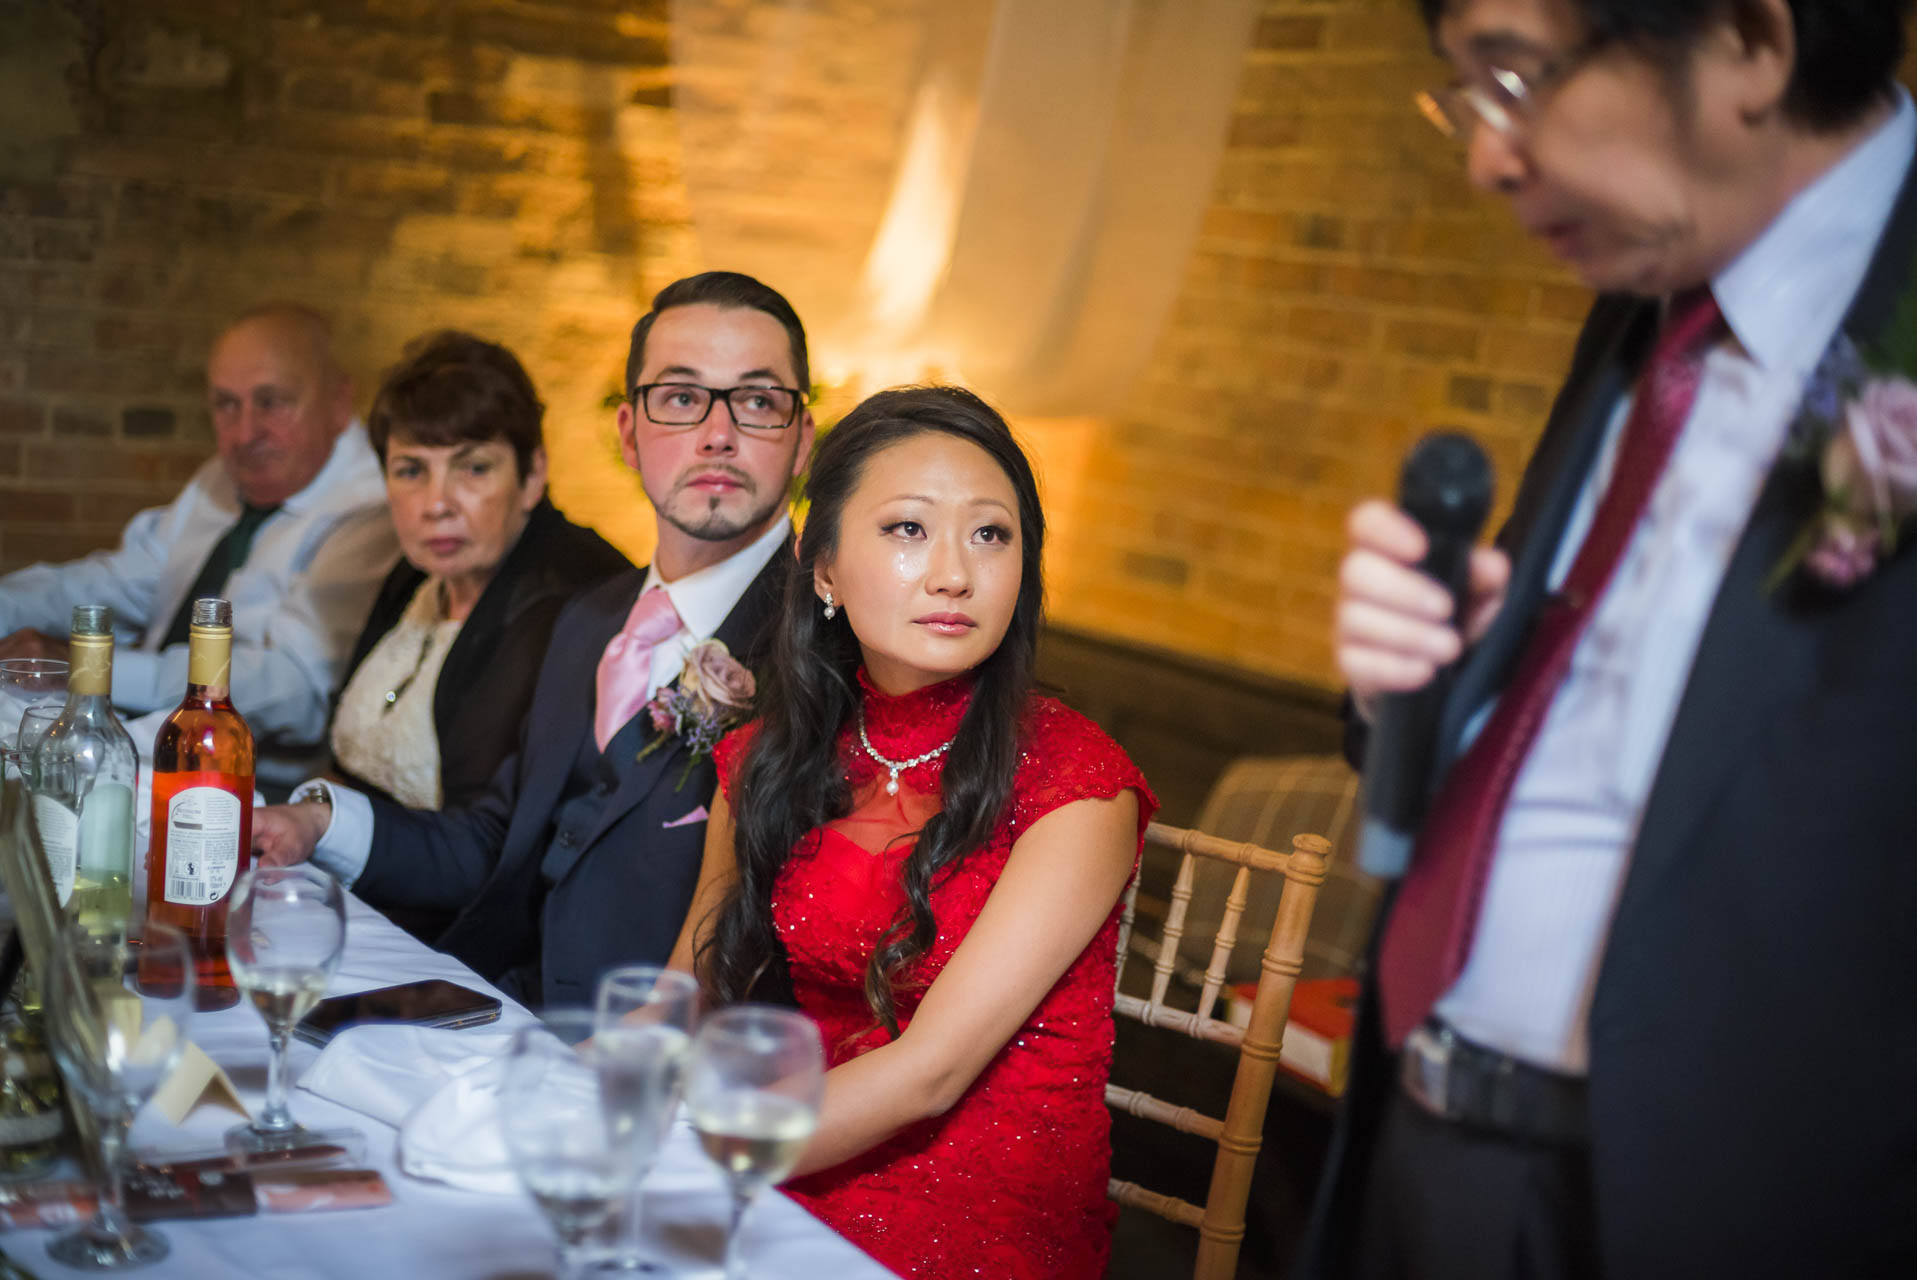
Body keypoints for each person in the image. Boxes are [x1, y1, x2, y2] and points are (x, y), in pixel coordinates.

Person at [1308, 1, 1917, 1277]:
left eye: (1517, 75)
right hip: (1423, 1145)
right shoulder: (1652, 306)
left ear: (1752, 41)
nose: (1487, 153)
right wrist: (1422, 677)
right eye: (1467, 92)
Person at [670, 386, 1157, 1279]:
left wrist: (691, 1160)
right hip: (801, 1136)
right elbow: (685, 989)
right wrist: (588, 1089)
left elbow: (930, 1073)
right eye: (906, 530)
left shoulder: (1077, 787)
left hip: (976, 1210)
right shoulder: (768, 758)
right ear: (822, 570)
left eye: (990, 534)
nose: (954, 575)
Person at [253, 271, 816, 1007]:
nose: (717, 433)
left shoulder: (826, 650)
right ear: (629, 434)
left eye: (757, 401)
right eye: (680, 399)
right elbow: (498, 840)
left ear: (801, 440)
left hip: (663, 1067)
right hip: (500, 1010)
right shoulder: (587, 619)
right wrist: (315, 821)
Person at [0, 303, 397, 786]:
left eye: (271, 402)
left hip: (246, 783)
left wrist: (89, 668)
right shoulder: (225, 477)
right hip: (133, 737)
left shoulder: (372, 510)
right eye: (227, 404)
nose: (244, 434)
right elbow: (121, 580)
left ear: (338, 402)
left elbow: (293, 691)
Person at [328, 331, 630, 940]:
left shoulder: (568, 602)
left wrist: (319, 827)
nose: (436, 504)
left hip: (458, 944)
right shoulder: (419, 573)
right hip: (351, 901)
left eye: (473, 467)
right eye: (411, 471)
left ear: (532, 473)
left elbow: (497, 859)